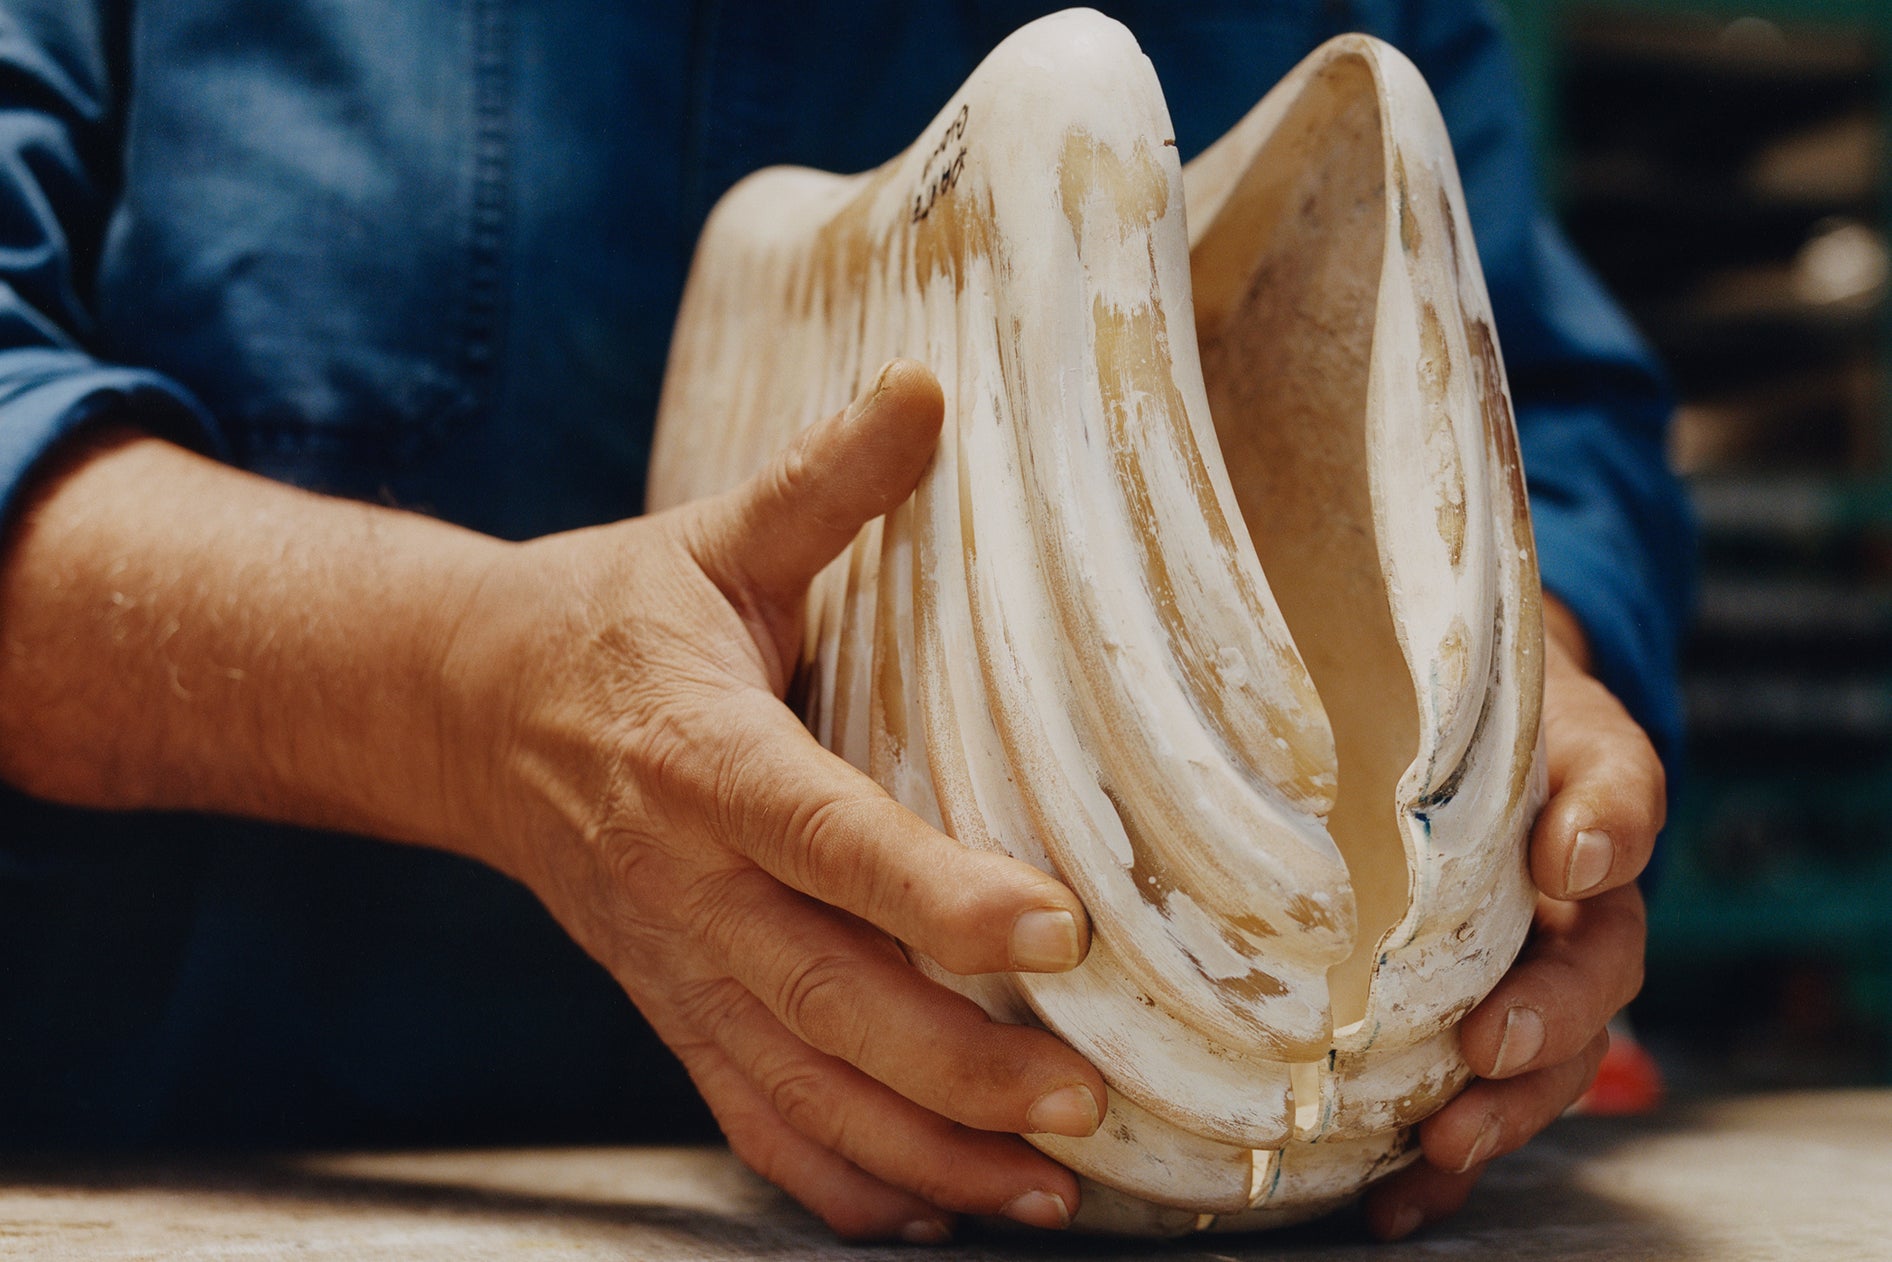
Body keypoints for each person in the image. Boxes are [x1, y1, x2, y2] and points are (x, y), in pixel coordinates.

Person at [0, 0, 1689, 1245]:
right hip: (248, 1176)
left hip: (1135, 1179)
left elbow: (1547, 409)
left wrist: (1519, 725)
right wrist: (473, 698)